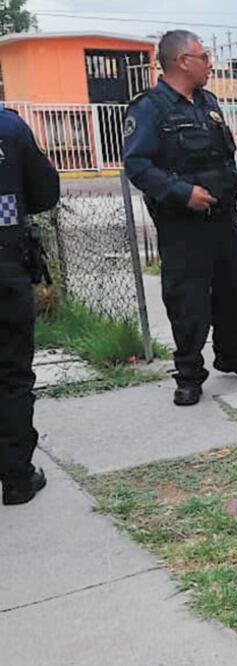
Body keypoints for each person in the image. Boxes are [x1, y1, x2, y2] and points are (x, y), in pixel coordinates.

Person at [124, 30, 237, 406]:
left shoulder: (208, 103)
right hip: (183, 225)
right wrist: (182, 193)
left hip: (223, 216)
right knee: (188, 299)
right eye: (203, 57)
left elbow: (223, 157)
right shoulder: (149, 108)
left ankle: (233, 354)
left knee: (233, 288)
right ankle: (189, 372)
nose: (209, 64)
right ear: (182, 61)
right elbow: (137, 165)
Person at [0, 106, 60, 505]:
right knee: (11, 374)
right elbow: (43, 193)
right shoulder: (9, 128)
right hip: (4, 265)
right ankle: (18, 478)